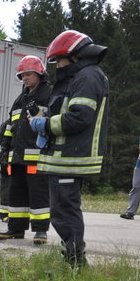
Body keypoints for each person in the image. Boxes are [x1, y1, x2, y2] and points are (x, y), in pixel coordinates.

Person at [29, 30, 110, 268]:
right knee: (62, 209)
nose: (58, 66)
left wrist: (44, 125)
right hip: (65, 156)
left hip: (71, 157)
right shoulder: (83, 76)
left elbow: (79, 117)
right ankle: (72, 257)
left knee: (64, 211)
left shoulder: (87, 76)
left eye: (59, 60)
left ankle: (75, 261)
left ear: (75, 57)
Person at [0, 55, 53, 244]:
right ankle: (16, 229)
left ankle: (40, 231)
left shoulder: (49, 94)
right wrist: (4, 148)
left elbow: (49, 123)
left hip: (37, 156)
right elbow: (11, 126)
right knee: (16, 193)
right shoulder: (20, 99)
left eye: (28, 74)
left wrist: (35, 109)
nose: (25, 78)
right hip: (17, 156)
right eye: (22, 76)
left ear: (39, 73)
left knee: (39, 195)